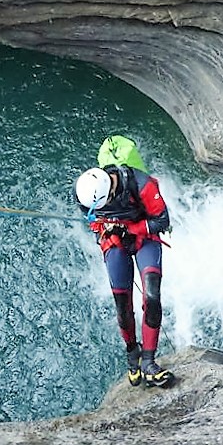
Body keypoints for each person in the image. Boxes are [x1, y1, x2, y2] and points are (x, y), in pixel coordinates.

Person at [75, 148, 175, 389]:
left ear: (109, 191)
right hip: (115, 240)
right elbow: (92, 219)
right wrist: (104, 229)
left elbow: (162, 221)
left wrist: (130, 229)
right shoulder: (83, 194)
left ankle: (149, 362)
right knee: (122, 304)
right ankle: (132, 353)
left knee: (151, 296)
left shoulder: (142, 185)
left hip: (143, 239)